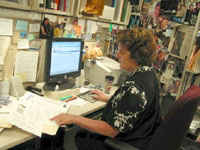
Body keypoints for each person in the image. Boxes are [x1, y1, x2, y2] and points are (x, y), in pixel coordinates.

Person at [51, 27, 162, 150]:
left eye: (123, 52)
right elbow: (134, 108)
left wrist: (74, 118)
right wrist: (110, 99)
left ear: (137, 56)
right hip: (142, 137)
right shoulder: (149, 74)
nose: (117, 55)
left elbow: (111, 130)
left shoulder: (134, 88)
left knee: (80, 135)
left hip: (125, 142)